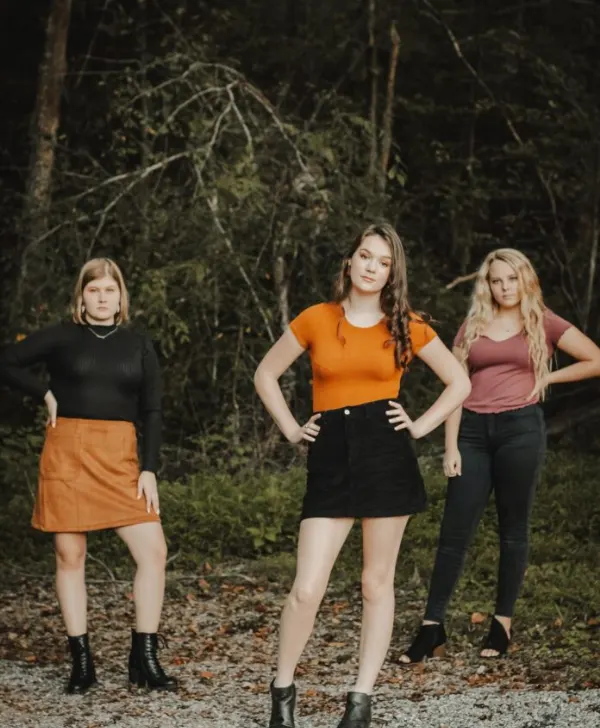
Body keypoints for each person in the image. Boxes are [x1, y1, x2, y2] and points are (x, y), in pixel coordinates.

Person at [254, 223, 471, 728]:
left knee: (376, 584)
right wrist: (290, 429)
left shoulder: (408, 326)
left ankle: (360, 700)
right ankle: (283, 690)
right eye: (365, 256)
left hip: (385, 452)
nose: (372, 267)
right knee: (307, 587)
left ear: (392, 273)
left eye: (383, 261)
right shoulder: (316, 318)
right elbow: (265, 374)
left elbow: (459, 381)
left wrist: (419, 425)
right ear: (349, 262)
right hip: (330, 451)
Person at [400, 248, 600, 663]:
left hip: (520, 430)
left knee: (513, 529)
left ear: (524, 279)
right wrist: (451, 446)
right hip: (471, 431)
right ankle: (431, 627)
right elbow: (455, 386)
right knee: (453, 531)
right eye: (497, 280)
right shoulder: (473, 325)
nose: (504, 287)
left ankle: (501, 624)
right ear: (487, 284)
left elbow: (595, 358)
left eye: (511, 279)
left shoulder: (543, 321)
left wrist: (548, 376)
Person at [0, 258, 177, 693]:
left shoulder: (138, 345)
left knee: (153, 551)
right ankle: (81, 661)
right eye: (93, 290)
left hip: (120, 459)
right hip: (68, 455)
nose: (102, 298)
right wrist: (43, 392)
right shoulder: (62, 337)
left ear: (121, 297)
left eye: (109, 290)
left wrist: (149, 468)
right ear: (81, 296)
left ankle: (145, 656)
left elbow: (152, 411)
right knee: (70, 556)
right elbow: (6, 361)